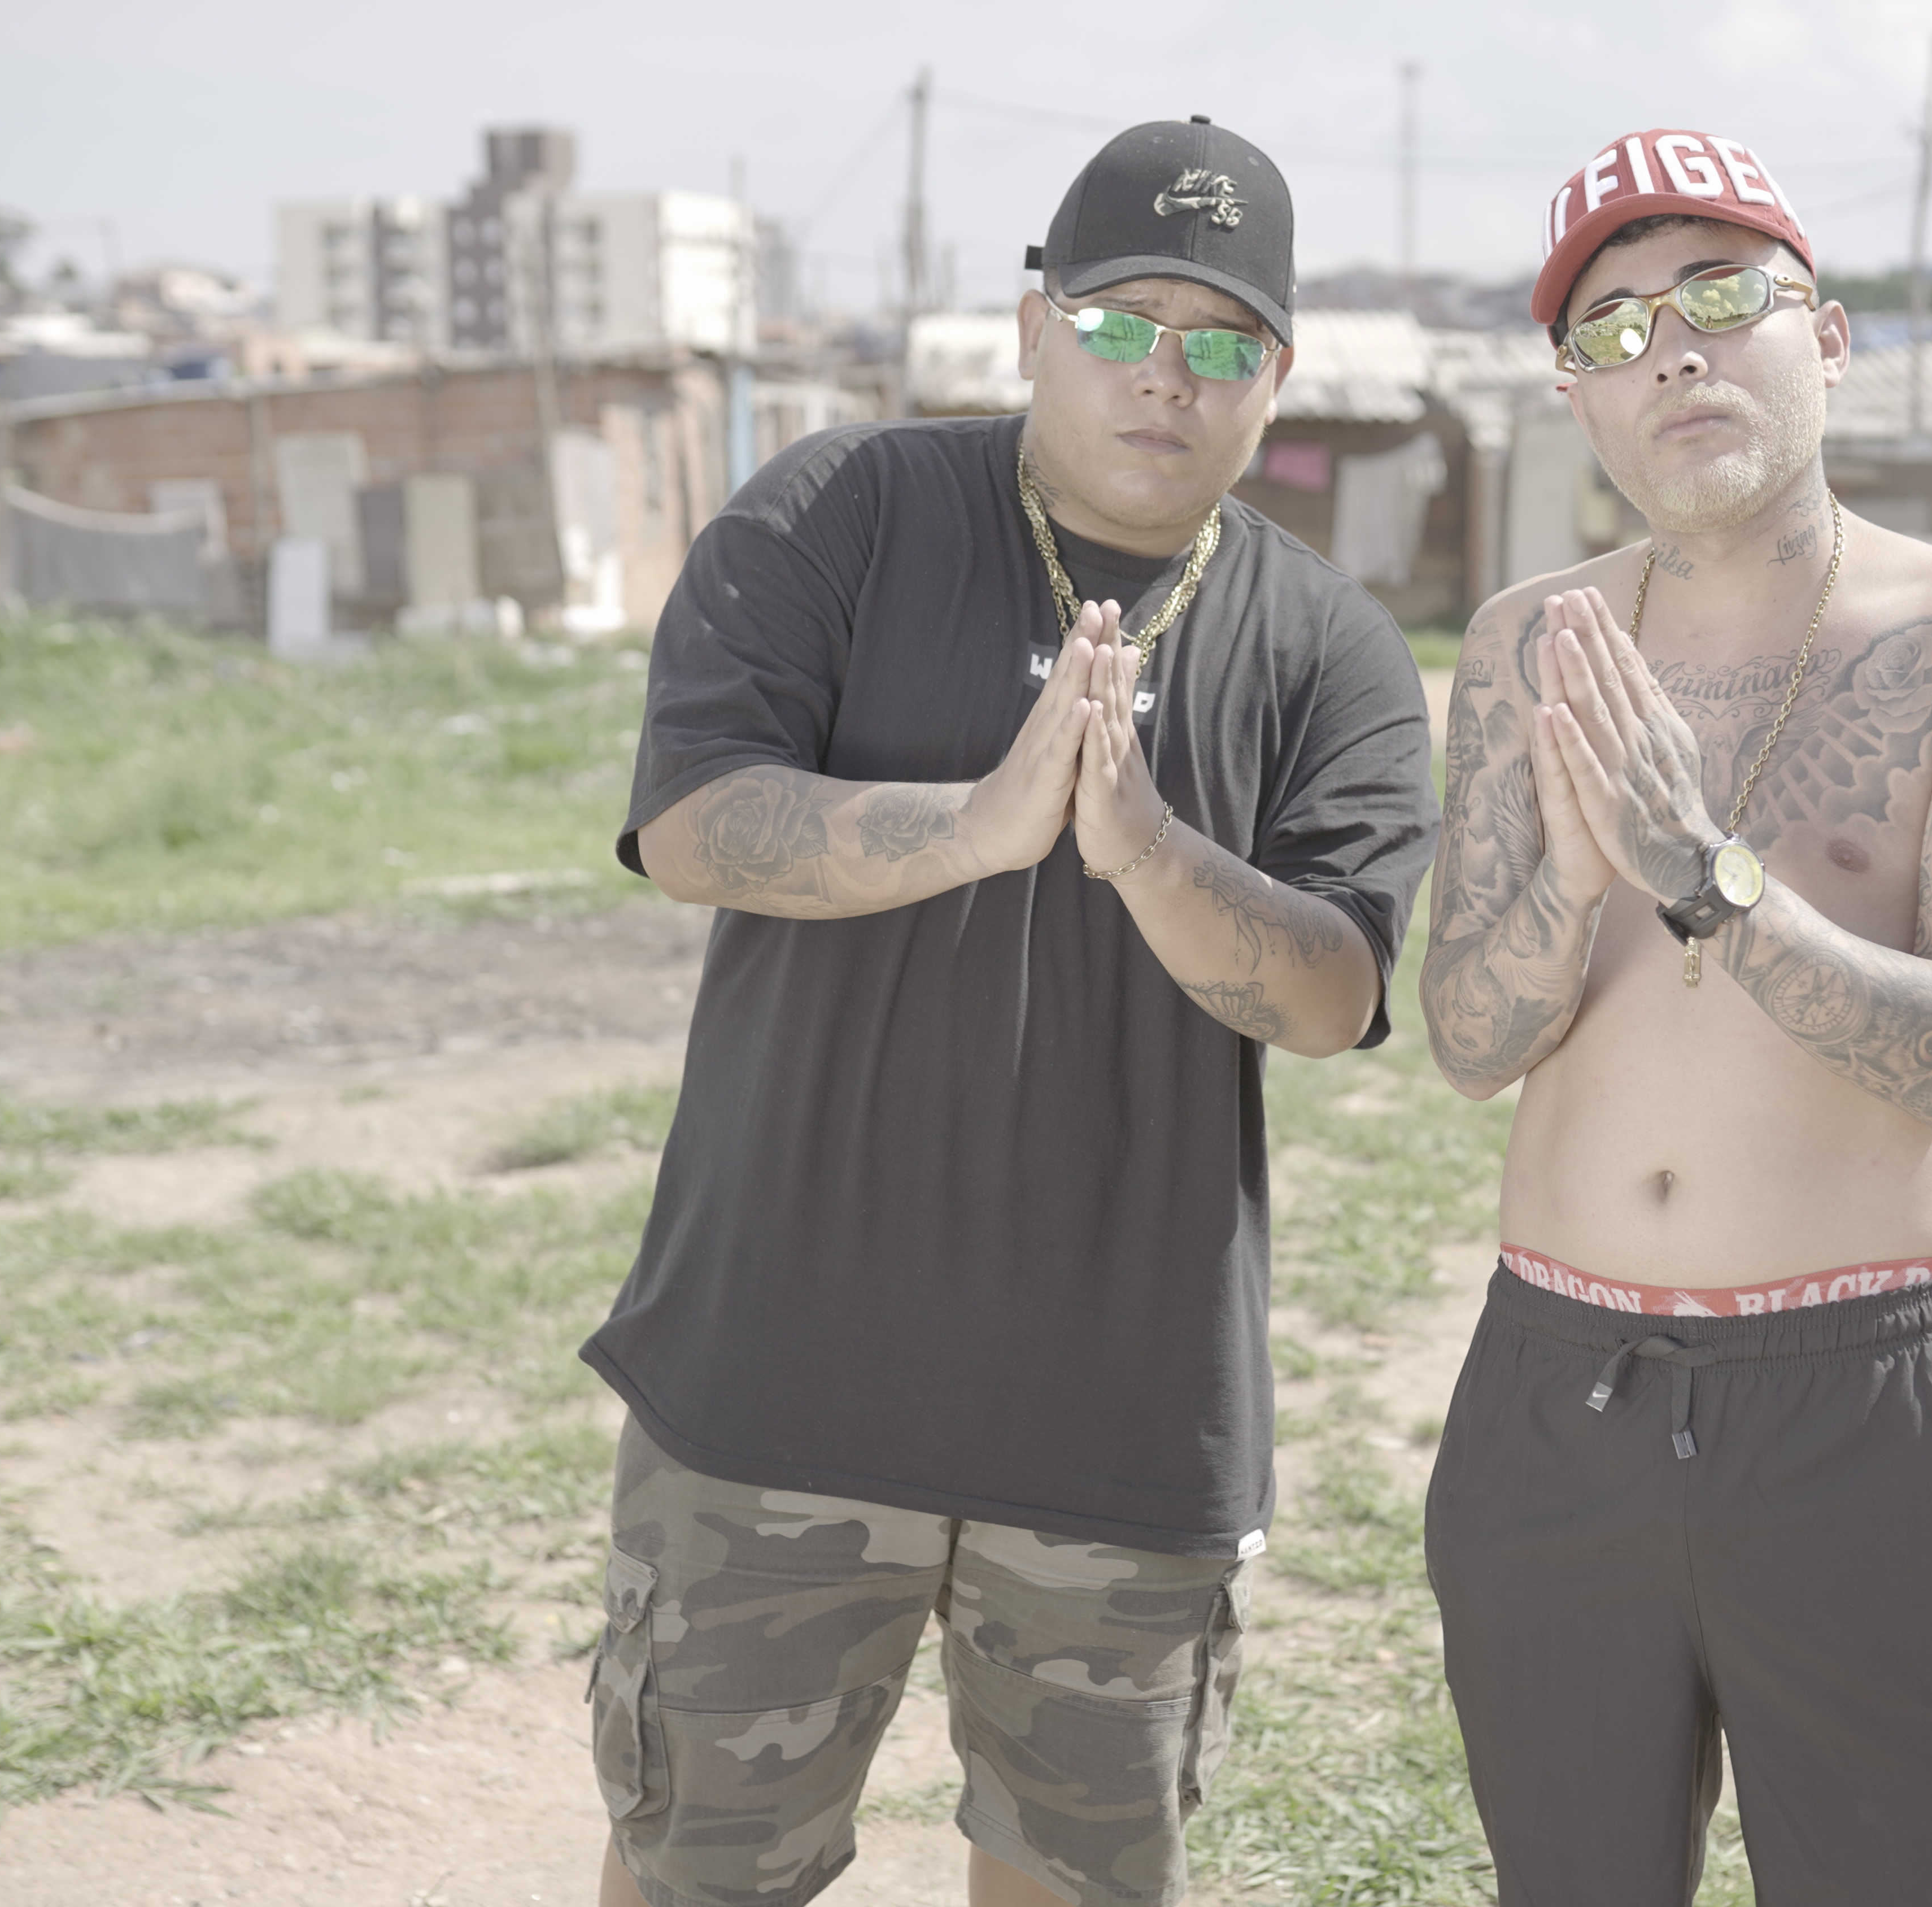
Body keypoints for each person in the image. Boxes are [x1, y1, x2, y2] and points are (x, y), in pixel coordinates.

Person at [581, 116, 1438, 1907]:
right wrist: (977, 827)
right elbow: (694, 827)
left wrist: (1147, 855)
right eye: (1123, 325)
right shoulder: (843, 512)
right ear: (1034, 327)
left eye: (1223, 346)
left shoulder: (1329, 647)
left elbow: (1334, 992)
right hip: (773, 1390)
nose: (1167, 379)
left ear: (1278, 380)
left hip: (1121, 1433)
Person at [1418, 127, 1932, 1906]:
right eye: (1615, 327)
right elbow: (1469, 1043)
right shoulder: (1523, 647)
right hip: (1559, 1394)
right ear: (1576, 393)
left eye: (1724, 299)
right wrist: (1572, 883)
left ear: (1832, 337)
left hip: (1868, 1401)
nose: (1674, 353)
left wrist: (1707, 880)